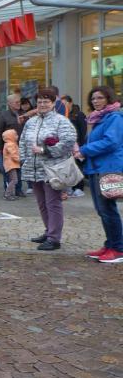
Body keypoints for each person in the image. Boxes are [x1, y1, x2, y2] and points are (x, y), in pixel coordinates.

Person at [19, 87, 77, 251]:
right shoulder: (31, 122)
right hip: (33, 169)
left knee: (53, 203)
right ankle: (48, 231)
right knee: (42, 203)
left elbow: (68, 142)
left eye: (46, 102)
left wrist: (45, 150)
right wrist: (23, 159)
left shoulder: (61, 121)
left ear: (53, 103)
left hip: (53, 169)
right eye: (40, 102)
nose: (43, 104)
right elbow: (22, 142)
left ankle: (54, 238)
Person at [76, 85, 123, 263]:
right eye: (93, 98)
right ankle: (110, 244)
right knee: (102, 210)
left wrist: (84, 150)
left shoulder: (115, 117)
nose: (96, 101)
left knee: (108, 210)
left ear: (109, 98)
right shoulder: (99, 118)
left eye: (100, 98)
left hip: (107, 168)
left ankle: (118, 249)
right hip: (97, 167)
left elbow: (111, 142)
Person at [0, 94, 24, 197]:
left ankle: (18, 190)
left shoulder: (22, 114)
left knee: (19, 169)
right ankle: (8, 191)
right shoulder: (4, 115)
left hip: (20, 146)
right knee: (8, 170)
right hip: (8, 148)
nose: (19, 104)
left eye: (19, 102)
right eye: (16, 102)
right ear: (10, 104)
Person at [62, 95, 87, 197]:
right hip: (66, 146)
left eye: (65, 103)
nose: (64, 106)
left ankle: (79, 188)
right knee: (69, 167)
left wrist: (80, 146)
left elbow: (83, 131)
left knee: (77, 166)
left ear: (71, 103)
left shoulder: (79, 114)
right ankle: (70, 188)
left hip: (77, 145)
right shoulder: (62, 115)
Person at [1, 130, 21, 201]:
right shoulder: (10, 144)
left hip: (11, 165)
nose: (17, 136)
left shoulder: (10, 144)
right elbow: (13, 155)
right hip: (11, 165)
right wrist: (20, 160)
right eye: (15, 135)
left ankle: (12, 194)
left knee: (12, 180)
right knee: (14, 180)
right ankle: (7, 194)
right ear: (10, 136)